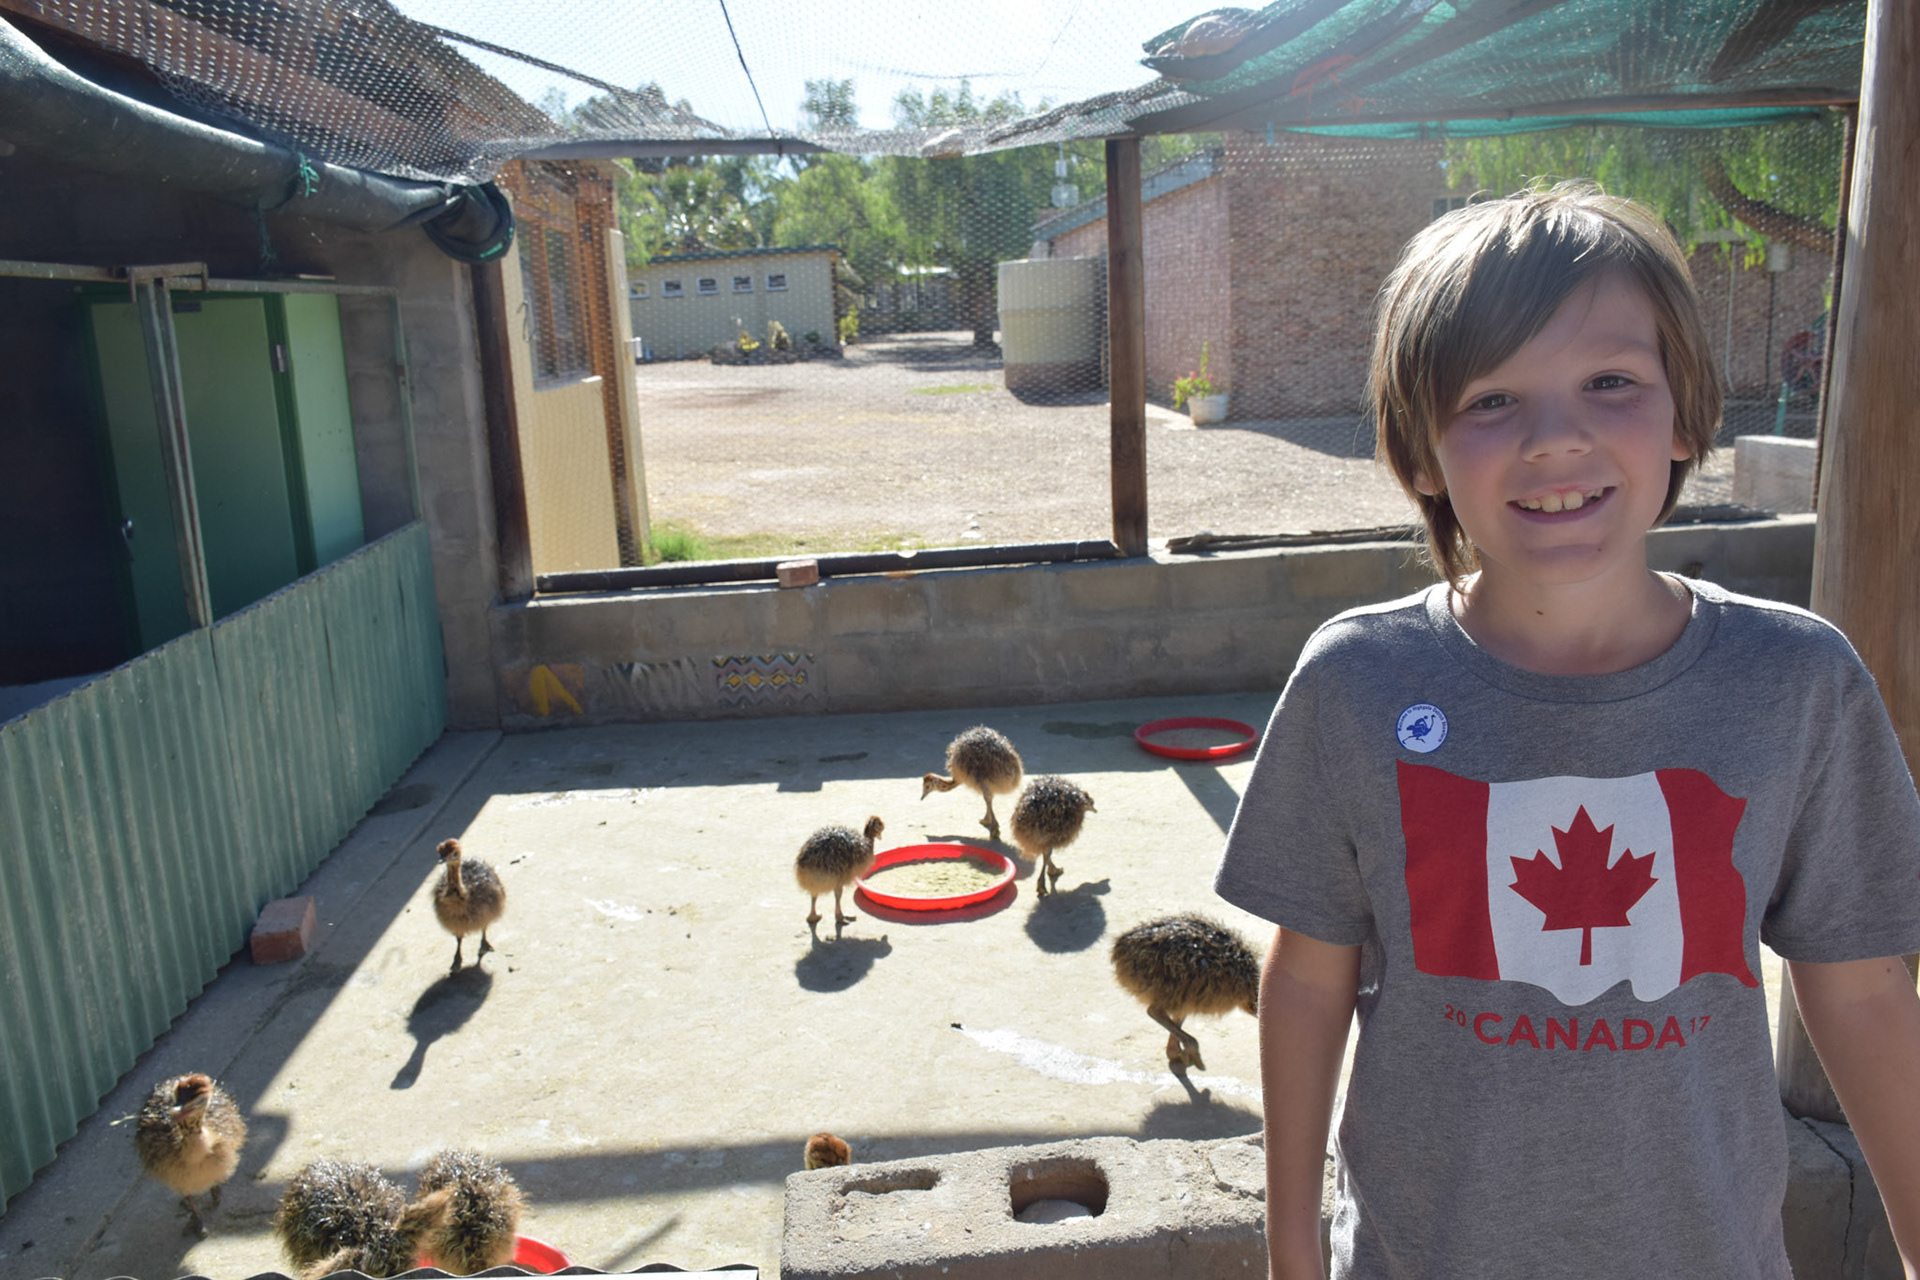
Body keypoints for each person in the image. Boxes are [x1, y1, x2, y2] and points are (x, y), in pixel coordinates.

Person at [1214, 182, 1920, 1279]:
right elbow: (1309, 979)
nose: (1557, 438)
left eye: (1609, 382)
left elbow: (1865, 986)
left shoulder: (1799, 681)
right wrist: (1291, 1251)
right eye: (1492, 398)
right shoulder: (1354, 682)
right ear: (1419, 454)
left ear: (1684, 411)